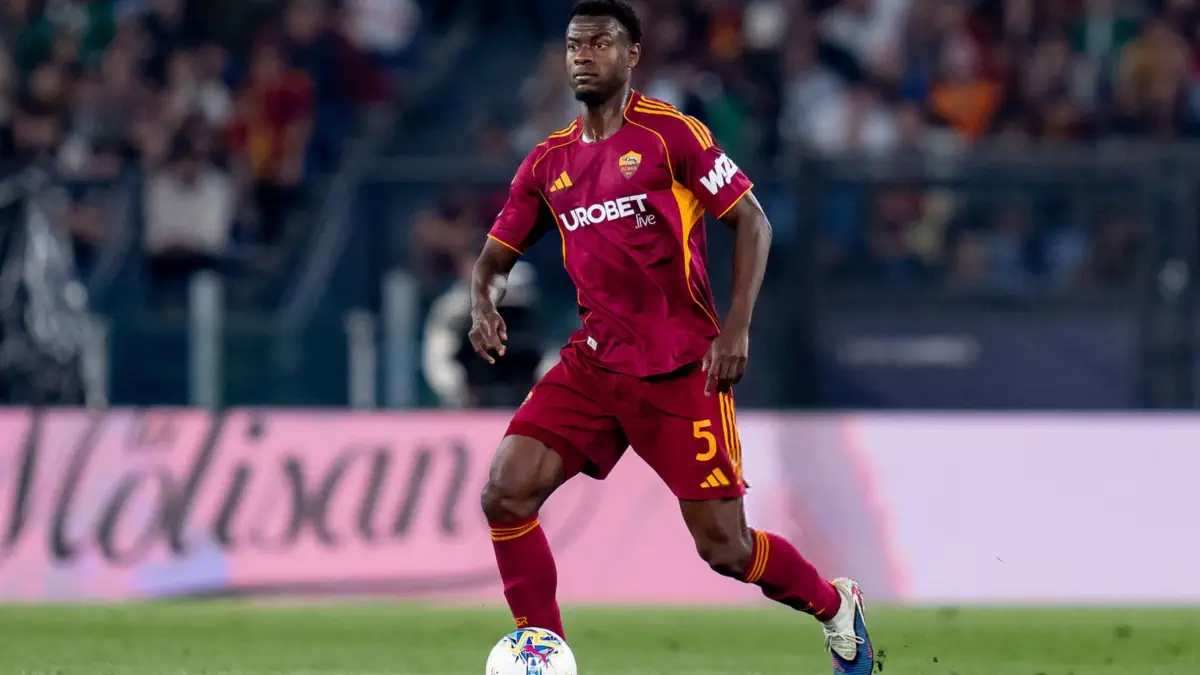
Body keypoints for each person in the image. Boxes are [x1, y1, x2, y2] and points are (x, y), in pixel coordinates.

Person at [467, 2, 875, 672]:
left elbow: (753, 221)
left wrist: (736, 327)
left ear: (632, 55)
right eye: (574, 45)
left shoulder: (671, 135)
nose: (583, 55)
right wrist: (483, 301)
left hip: (682, 367)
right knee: (505, 493)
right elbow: (493, 256)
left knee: (726, 548)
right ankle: (542, 651)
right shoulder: (547, 162)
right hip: (595, 364)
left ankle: (835, 606)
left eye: (600, 43)